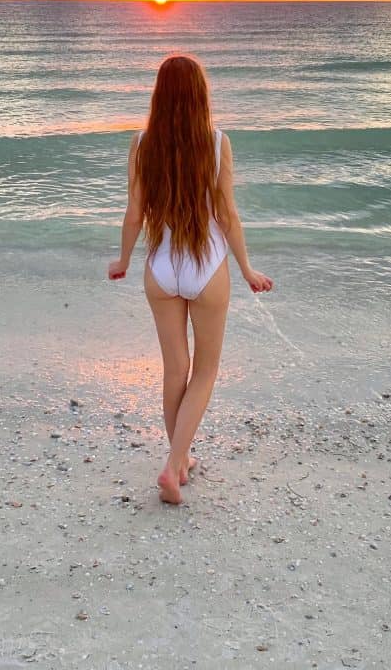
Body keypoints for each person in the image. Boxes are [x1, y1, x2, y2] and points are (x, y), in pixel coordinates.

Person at [107, 54, 273, 504]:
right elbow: (228, 215)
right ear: (202, 95)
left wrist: (122, 258)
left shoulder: (142, 144)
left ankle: (179, 460)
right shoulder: (218, 143)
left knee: (175, 370)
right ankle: (173, 465)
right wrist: (246, 268)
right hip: (208, 266)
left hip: (161, 267)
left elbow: (135, 212)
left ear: (159, 96)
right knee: (205, 370)